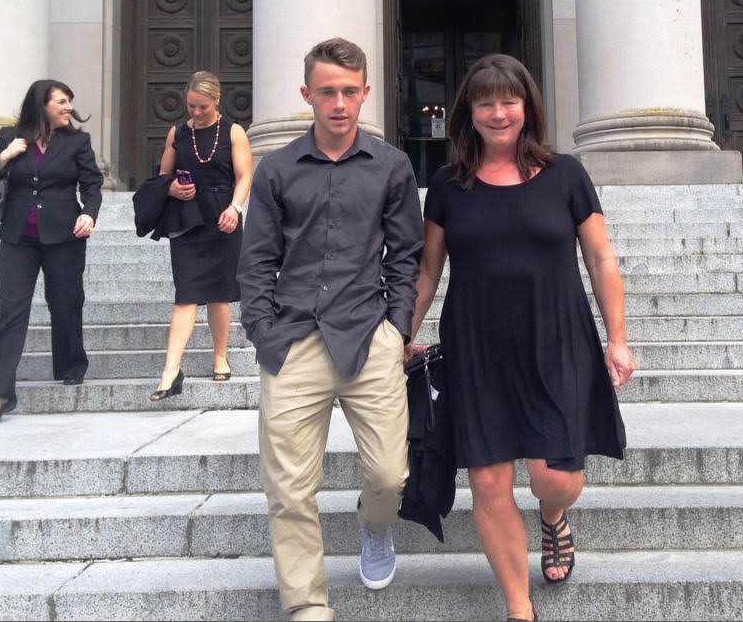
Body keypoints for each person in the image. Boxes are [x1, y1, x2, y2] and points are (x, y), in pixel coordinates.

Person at [406, 53, 635, 622]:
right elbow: (428, 271)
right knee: (488, 479)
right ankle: (518, 606)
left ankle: (553, 518)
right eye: (485, 102)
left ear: (527, 106)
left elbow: (602, 259)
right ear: (469, 112)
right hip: (478, 345)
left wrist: (618, 337)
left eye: (509, 100)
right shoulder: (447, 185)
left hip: (557, 337)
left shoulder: (566, 174)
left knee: (557, 475)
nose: (498, 112)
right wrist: (402, 333)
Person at [238, 38, 423, 622]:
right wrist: (265, 334)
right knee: (289, 488)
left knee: (389, 474)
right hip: (293, 341)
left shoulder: (391, 164)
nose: (339, 103)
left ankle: (376, 529)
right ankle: (306, 606)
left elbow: (406, 255)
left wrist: (396, 327)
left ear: (366, 93)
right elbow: (256, 260)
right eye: (327, 92)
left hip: (368, 335)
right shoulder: (276, 170)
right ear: (307, 96)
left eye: (349, 91)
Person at [0, 79, 103, 425]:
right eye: (61, 101)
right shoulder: (10, 136)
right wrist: (6, 155)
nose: (68, 107)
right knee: (11, 311)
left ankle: (71, 364)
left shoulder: (78, 141)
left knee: (66, 302)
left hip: (64, 235)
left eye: (69, 101)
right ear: (41, 104)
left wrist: (89, 212)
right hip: (17, 238)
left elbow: (92, 184)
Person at [150, 71, 253, 399]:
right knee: (186, 295)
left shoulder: (234, 132)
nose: (195, 112)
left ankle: (220, 355)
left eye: (202, 107)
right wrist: (172, 188)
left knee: (220, 295)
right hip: (187, 219)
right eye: (191, 105)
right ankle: (170, 370)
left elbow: (245, 175)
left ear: (216, 101)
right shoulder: (177, 132)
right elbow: (162, 175)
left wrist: (235, 209)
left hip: (223, 217)